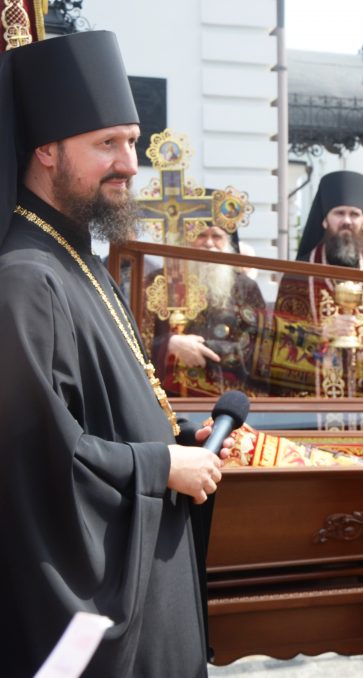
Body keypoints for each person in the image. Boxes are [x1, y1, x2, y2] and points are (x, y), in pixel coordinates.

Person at [0, 30, 231, 677]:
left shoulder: (80, 261)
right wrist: (163, 466)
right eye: (107, 144)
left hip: (157, 594)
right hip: (99, 631)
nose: (129, 162)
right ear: (46, 149)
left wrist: (179, 439)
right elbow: (39, 464)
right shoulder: (25, 279)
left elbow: (106, 413)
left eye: (132, 141)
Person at [268, 170, 363, 401]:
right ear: (324, 219)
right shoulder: (297, 276)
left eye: (354, 214)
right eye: (339, 213)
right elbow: (278, 346)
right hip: (311, 410)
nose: (347, 221)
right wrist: (320, 334)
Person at [142, 223, 268, 397]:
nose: (209, 243)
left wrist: (207, 349)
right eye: (200, 235)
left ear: (228, 244)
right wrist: (169, 344)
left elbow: (260, 348)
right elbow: (137, 337)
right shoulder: (158, 282)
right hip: (169, 397)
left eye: (216, 237)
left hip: (227, 395)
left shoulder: (246, 287)